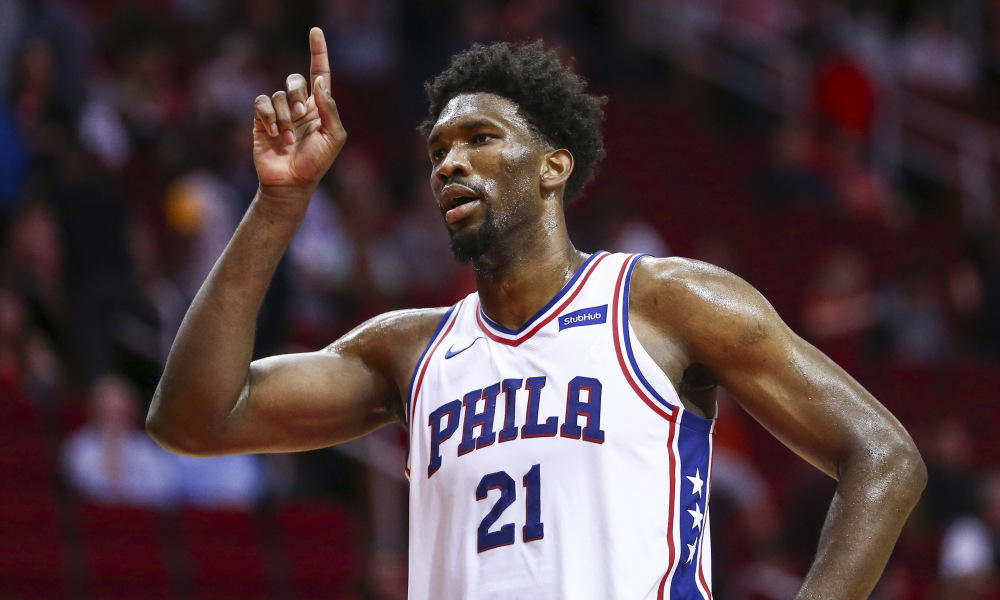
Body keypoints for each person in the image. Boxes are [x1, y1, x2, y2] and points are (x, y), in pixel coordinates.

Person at [147, 28, 927, 599]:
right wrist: (280, 202)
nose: (451, 162)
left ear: (554, 166)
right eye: (438, 151)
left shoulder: (664, 302)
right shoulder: (409, 351)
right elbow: (193, 418)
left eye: (480, 139)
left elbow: (885, 458)